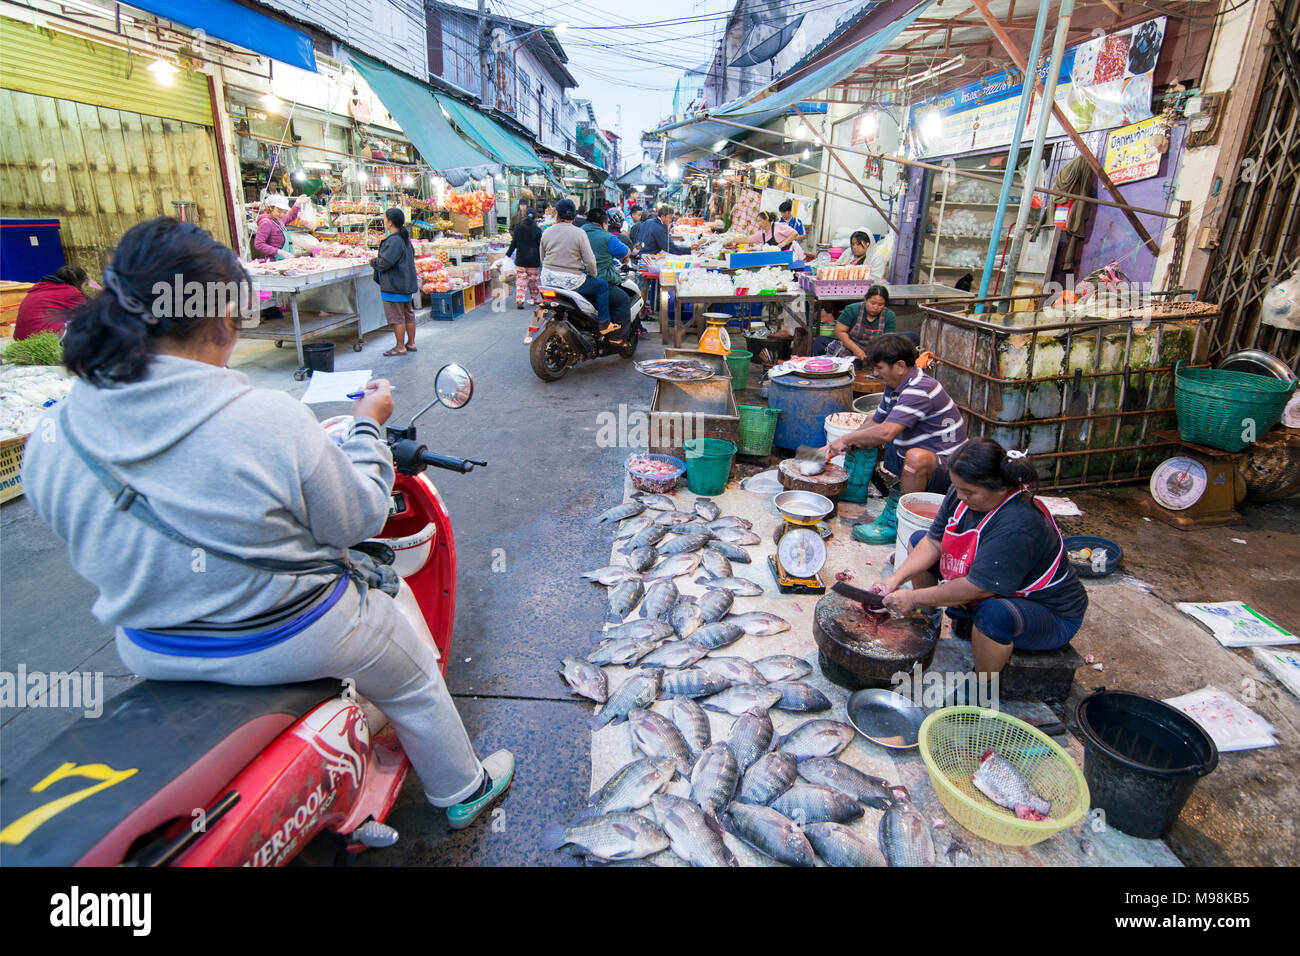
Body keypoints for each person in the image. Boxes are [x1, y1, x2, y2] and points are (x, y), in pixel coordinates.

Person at [21, 217, 514, 830]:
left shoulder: (53, 436)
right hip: (287, 636)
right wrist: (368, 426)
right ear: (223, 317)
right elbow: (357, 516)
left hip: (151, 647)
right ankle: (463, 786)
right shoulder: (263, 417)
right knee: (411, 672)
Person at [874, 437, 1087, 695]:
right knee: (918, 540)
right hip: (993, 585)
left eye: (969, 492)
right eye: (957, 488)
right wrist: (894, 580)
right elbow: (933, 542)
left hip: (1050, 614)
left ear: (999, 488)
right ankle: (926, 623)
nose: (960, 497)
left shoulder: (1018, 522)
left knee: (993, 614)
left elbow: (977, 588)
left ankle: (980, 689)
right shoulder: (963, 492)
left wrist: (913, 597)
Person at [827, 334, 968, 544]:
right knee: (864, 435)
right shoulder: (895, 386)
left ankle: (899, 524)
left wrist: (847, 438)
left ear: (900, 366)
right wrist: (835, 444)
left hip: (950, 468)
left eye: (879, 368)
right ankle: (855, 491)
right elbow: (875, 422)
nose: (875, 374)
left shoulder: (920, 388)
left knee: (915, 458)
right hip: (930, 460)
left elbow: (886, 432)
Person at [539, 198, 614, 335]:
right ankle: (604, 324)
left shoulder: (546, 232)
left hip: (547, 279)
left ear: (557, 214)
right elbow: (590, 261)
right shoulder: (579, 233)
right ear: (574, 216)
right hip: (571, 281)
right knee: (602, 286)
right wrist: (592, 274)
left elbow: (542, 258)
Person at [581, 207, 633, 345]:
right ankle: (617, 338)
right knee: (622, 299)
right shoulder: (607, 237)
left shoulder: (578, 233)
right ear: (604, 224)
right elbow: (626, 253)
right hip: (597, 280)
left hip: (573, 280)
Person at [371, 207, 419, 356]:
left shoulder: (394, 240)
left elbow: (385, 262)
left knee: (397, 317)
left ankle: (400, 347)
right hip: (405, 284)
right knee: (408, 313)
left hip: (395, 285)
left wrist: (373, 261)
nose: (384, 221)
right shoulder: (404, 239)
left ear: (390, 223)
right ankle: (410, 343)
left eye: (385, 219)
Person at [815, 284, 896, 358]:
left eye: (880, 305)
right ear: (865, 299)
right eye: (873, 303)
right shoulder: (852, 309)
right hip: (849, 347)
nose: (876, 307)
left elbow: (888, 341)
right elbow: (839, 332)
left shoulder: (889, 315)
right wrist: (856, 350)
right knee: (819, 342)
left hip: (874, 351)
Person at [14, 265, 88, 340]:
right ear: (80, 282)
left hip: (20, 339)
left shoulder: (40, 287)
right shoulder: (72, 292)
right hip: (44, 340)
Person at [507, 209, 543, 309]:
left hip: (521, 261)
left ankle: (520, 300)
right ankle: (534, 299)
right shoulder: (537, 230)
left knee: (521, 281)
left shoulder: (518, 228)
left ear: (525, 216)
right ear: (535, 218)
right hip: (533, 261)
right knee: (533, 282)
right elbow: (540, 246)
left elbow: (513, 243)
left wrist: (508, 255)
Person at [252, 194, 305, 260]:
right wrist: (278, 251)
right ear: (271, 208)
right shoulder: (266, 223)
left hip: (284, 260)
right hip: (274, 261)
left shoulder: (279, 219)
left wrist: (297, 204)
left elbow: (290, 216)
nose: (282, 214)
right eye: (279, 211)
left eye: (285, 212)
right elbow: (258, 244)